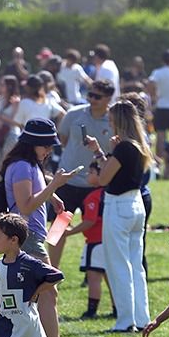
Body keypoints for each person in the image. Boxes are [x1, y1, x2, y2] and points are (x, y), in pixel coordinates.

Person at [0, 119, 87, 337]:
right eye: (46, 145)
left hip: (29, 237)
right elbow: (25, 206)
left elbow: (35, 190)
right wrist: (54, 186)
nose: (49, 150)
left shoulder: (30, 165)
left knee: (13, 297)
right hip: (27, 239)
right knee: (47, 293)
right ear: (33, 144)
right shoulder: (20, 167)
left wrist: (54, 196)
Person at [84, 102, 151, 333]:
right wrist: (103, 153)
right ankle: (141, 318)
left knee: (118, 266)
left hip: (119, 205)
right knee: (135, 265)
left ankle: (125, 321)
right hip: (135, 204)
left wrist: (98, 152)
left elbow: (103, 179)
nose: (109, 122)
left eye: (112, 119)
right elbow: (112, 172)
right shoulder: (137, 146)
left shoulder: (124, 148)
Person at [51, 80, 115, 268]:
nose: (92, 99)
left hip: (96, 185)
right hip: (68, 182)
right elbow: (63, 140)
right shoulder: (74, 114)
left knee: (97, 231)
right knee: (58, 229)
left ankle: (95, 270)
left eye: (97, 96)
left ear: (108, 98)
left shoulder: (113, 120)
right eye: (90, 94)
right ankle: (51, 271)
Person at [65, 161, 109, 319]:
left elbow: (89, 221)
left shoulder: (93, 196)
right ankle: (118, 308)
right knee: (109, 276)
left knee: (93, 276)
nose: (87, 175)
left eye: (91, 172)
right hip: (108, 240)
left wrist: (68, 232)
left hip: (96, 241)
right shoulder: (109, 192)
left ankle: (92, 310)